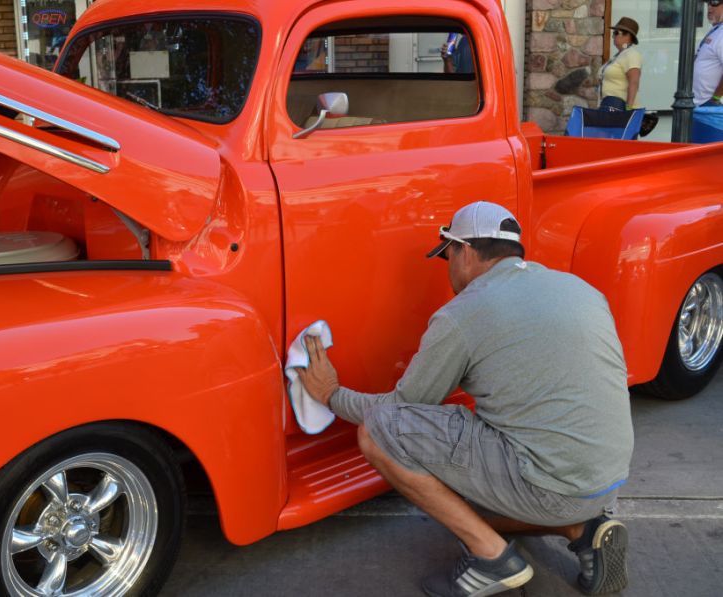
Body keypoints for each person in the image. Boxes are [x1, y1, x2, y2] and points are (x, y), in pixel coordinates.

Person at [297, 201, 634, 597]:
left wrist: (330, 394)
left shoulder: (465, 312)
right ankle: (582, 529)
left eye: (448, 255)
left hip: (549, 485)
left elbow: (398, 410)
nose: (449, 267)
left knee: (380, 433)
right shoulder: (579, 289)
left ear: (466, 251)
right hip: (605, 483)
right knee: (465, 499)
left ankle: (492, 559)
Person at [598, 17, 642, 111]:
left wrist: (628, 109)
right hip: (609, 104)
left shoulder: (631, 54)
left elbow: (634, 82)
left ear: (628, 36)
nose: (613, 36)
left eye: (616, 33)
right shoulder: (619, 55)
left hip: (617, 106)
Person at [694, 0, 723, 106]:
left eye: (714, 2)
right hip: (699, 103)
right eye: (708, 3)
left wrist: (716, 98)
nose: (709, 7)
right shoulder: (716, 28)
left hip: (710, 105)